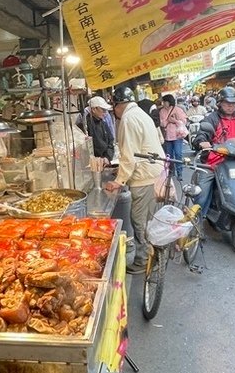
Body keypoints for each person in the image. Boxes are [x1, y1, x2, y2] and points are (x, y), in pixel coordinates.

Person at [104, 86, 164, 275]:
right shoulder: (140, 113)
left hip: (144, 176)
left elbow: (128, 154)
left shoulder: (128, 119)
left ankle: (145, 260)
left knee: (139, 220)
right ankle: (151, 254)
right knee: (146, 217)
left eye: (113, 107)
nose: (113, 112)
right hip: (152, 171)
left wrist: (119, 180)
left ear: (119, 105)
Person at [190, 86, 235, 213]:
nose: (230, 106)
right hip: (213, 163)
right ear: (220, 103)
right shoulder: (212, 118)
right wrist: (202, 142)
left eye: (233, 103)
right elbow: (201, 135)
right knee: (201, 195)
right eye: (227, 103)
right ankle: (196, 222)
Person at [76, 96, 115, 165]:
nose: (105, 112)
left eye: (106, 110)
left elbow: (111, 142)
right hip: (92, 163)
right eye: (103, 110)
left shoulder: (103, 123)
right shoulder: (84, 125)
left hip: (105, 162)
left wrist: (107, 157)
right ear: (94, 109)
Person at [157, 94, 188, 179]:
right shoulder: (162, 111)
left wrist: (174, 121)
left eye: (165, 101)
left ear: (169, 101)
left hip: (177, 135)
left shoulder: (177, 110)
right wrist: (168, 121)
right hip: (167, 136)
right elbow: (162, 123)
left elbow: (184, 122)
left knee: (178, 154)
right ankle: (171, 171)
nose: (163, 103)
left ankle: (179, 172)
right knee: (169, 155)